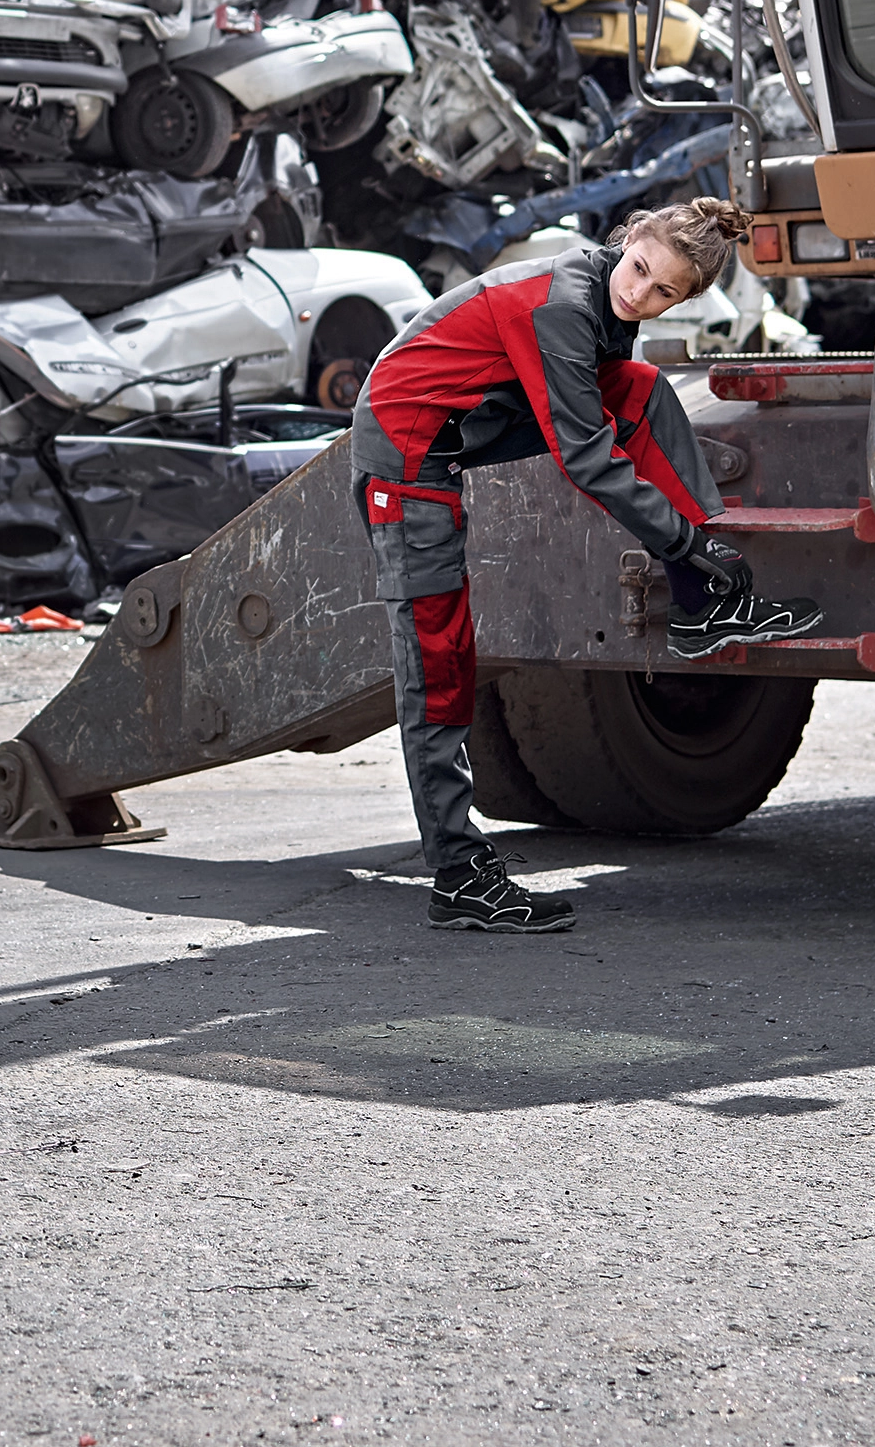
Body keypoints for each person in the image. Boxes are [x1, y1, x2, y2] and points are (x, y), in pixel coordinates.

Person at [347, 198, 821, 934]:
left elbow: (614, 421)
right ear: (626, 239)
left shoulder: (610, 310)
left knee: (638, 389)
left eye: (663, 291)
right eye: (638, 269)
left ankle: (702, 603)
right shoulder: (567, 304)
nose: (639, 292)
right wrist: (681, 541)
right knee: (438, 660)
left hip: (471, 413)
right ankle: (457, 873)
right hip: (406, 446)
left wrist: (695, 545)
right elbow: (585, 457)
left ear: (684, 298)